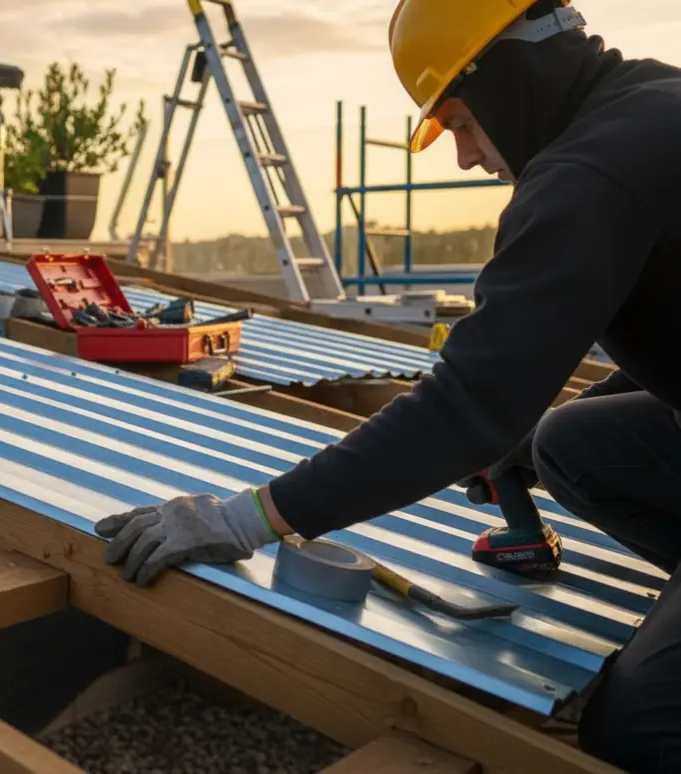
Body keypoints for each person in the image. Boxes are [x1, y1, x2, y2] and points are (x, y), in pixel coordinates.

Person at [95, 1, 681, 770]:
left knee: (635, 733)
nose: (467, 156)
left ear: (509, 79)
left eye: (464, 123)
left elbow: (468, 402)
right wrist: (519, 433)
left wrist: (248, 520)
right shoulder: (650, 104)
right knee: (563, 443)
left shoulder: (588, 175)